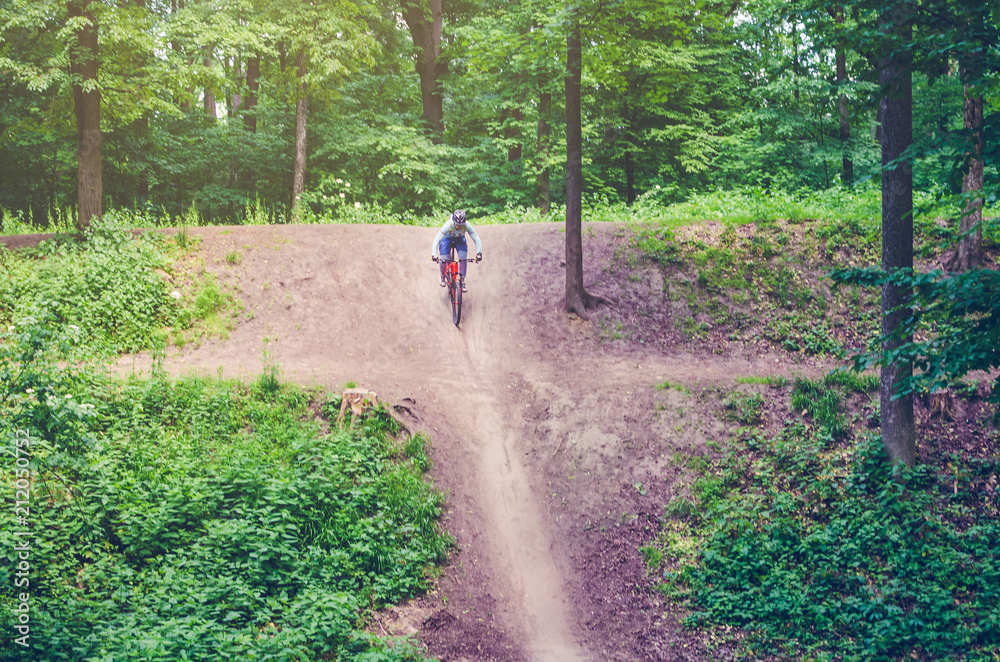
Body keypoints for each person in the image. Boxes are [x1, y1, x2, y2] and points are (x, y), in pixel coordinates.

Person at [431, 209, 482, 292]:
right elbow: (437, 239)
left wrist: (479, 253)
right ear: (453, 221)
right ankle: (442, 275)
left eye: (461, 225)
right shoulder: (448, 225)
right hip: (446, 239)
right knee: (443, 260)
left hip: (459, 239)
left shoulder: (466, 225)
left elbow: (476, 238)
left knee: (463, 259)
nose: (459, 227)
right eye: (457, 224)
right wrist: (434, 254)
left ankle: (462, 281)